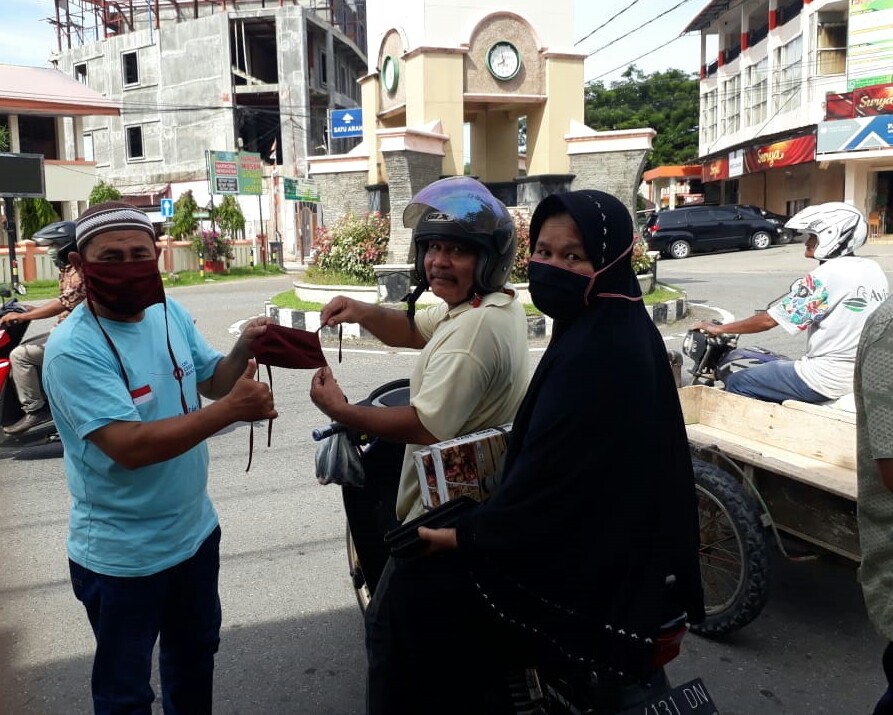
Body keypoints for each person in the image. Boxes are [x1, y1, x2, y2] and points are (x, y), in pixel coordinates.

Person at [366, 189, 705, 715]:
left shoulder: (598, 352)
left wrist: (463, 535)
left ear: (609, 260)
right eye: (543, 253)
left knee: (404, 614)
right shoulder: (608, 324)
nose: (552, 267)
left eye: (572, 256)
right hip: (615, 552)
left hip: (595, 571)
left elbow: (551, 485)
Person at [42, 201, 277, 714]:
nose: (128, 266)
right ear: (81, 264)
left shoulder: (168, 312)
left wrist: (244, 349)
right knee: (126, 692)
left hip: (194, 536)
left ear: (157, 257)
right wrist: (233, 410)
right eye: (111, 256)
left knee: (194, 661)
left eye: (138, 254)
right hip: (122, 558)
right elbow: (130, 447)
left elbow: (212, 380)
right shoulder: (73, 349)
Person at [308, 175, 530, 712]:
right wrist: (362, 311)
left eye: (457, 250)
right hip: (476, 503)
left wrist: (343, 412)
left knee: (392, 643)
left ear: (489, 260)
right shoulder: (486, 306)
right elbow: (411, 328)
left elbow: (426, 425)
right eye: (433, 247)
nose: (439, 261)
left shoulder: (474, 331)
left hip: (443, 518)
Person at [694, 202, 889, 404]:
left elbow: (769, 321)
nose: (807, 241)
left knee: (738, 381)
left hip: (825, 377)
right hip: (864, 374)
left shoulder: (828, 274)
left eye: (814, 236)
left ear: (834, 235)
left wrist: (720, 328)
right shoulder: (872, 269)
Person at [0, 221, 85, 434]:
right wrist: (31, 309)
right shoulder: (67, 268)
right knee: (23, 350)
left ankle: (36, 410)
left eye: (54, 245)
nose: (50, 251)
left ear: (66, 246)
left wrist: (26, 316)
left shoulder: (79, 272)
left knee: (20, 356)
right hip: (67, 330)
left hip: (77, 336)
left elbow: (63, 303)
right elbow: (64, 301)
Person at [855, 293, 893, 715]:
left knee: (745, 380)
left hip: (817, 377)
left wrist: (720, 330)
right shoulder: (868, 276)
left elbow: (776, 318)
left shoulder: (821, 281)